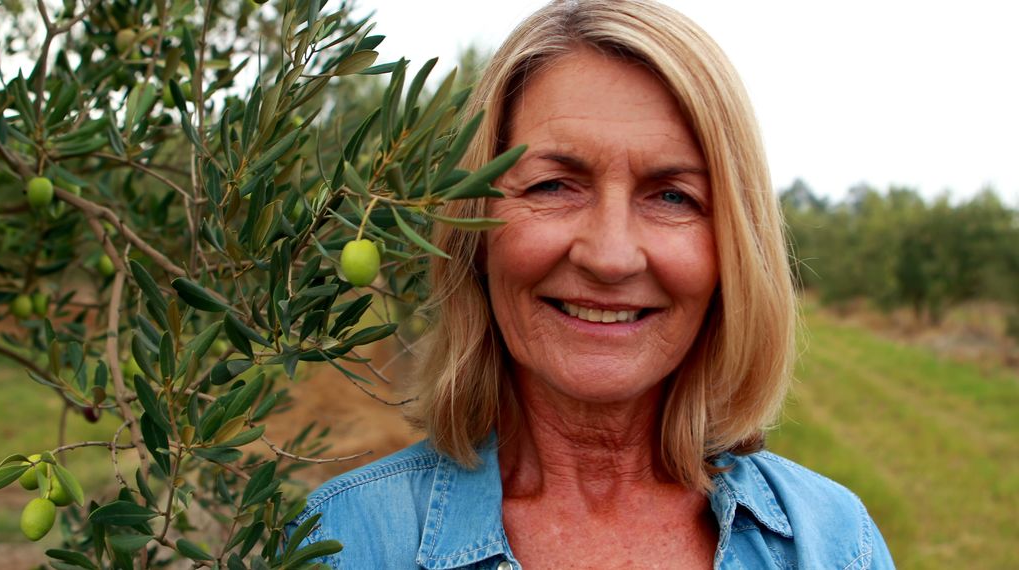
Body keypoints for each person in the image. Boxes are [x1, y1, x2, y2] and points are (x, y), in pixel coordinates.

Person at [286, 1, 895, 568]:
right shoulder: (344, 540)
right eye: (552, 185)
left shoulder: (834, 542)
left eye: (672, 196)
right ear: (476, 232)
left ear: (731, 250)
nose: (609, 256)